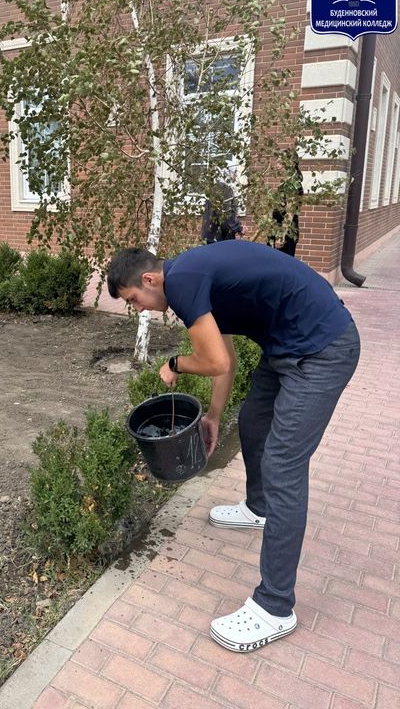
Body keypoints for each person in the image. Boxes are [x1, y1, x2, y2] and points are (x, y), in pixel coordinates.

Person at [106, 241, 360, 652]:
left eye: (134, 300)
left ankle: (275, 607)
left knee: (283, 467)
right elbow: (224, 357)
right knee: (253, 420)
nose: (140, 310)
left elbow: (215, 362)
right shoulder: (192, 279)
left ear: (149, 280)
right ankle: (259, 508)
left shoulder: (184, 283)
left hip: (321, 350)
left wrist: (175, 364)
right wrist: (213, 415)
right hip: (287, 345)